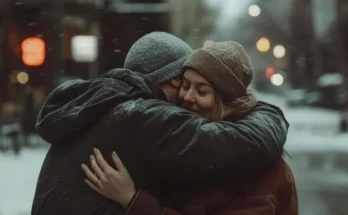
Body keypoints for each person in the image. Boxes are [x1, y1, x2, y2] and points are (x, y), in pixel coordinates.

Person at [32, 32, 289, 215]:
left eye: (202, 89)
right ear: (173, 79)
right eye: (185, 84)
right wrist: (270, 114)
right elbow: (240, 143)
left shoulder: (105, 104)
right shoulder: (144, 117)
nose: (187, 97)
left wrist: (134, 200)